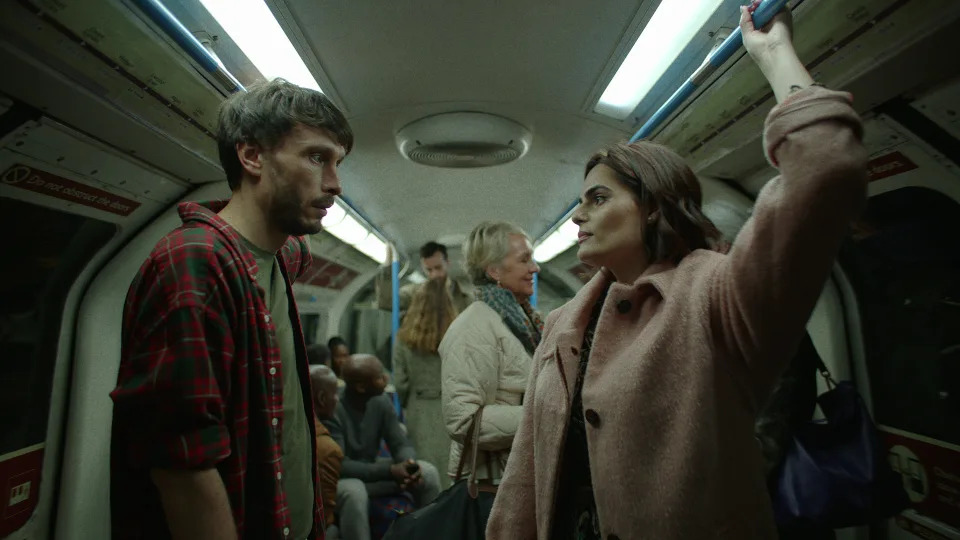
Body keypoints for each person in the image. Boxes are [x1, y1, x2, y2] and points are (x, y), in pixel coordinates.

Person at [485, 5, 868, 539]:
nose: (577, 215)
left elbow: (823, 169)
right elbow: (528, 474)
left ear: (651, 207)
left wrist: (775, 54)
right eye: (580, 201)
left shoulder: (712, 295)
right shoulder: (563, 326)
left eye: (598, 197)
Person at [110, 78, 354, 539]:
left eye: (338, 162)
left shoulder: (281, 256)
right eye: (316, 157)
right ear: (252, 156)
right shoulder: (195, 265)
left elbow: (282, 241)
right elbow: (184, 468)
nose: (335, 183)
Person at [439, 221, 542, 520]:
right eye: (524, 260)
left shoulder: (523, 320)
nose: (534, 268)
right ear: (494, 270)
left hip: (517, 475)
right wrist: (546, 413)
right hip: (492, 484)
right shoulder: (473, 329)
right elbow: (463, 421)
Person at [324, 354, 441, 540]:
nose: (386, 379)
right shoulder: (334, 410)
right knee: (354, 492)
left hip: (375, 474)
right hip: (347, 479)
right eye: (379, 377)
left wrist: (408, 464)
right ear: (361, 386)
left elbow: (400, 442)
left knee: (428, 473)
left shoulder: (381, 401)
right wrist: (390, 470)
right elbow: (341, 466)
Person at [394, 279, 460, 490]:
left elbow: (400, 383)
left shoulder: (404, 338)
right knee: (452, 473)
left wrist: (408, 402)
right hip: (452, 410)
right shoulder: (459, 335)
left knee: (426, 475)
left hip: (418, 408)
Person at [376, 241, 473, 316]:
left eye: (438, 268)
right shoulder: (414, 293)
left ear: (447, 263)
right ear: (423, 268)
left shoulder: (465, 299)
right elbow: (387, 303)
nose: (434, 274)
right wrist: (388, 266)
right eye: (429, 270)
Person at [310, 364, 344, 538]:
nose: (338, 399)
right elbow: (324, 519)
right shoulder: (327, 448)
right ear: (322, 398)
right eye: (335, 393)